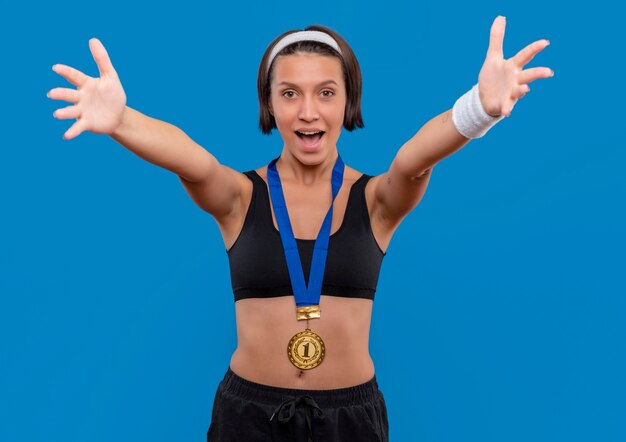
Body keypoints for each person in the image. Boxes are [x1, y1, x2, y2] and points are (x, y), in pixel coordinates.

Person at [48, 17, 553, 442]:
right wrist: (121, 121)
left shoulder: (376, 201)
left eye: (325, 93)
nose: (308, 111)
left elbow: (412, 160)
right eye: (289, 94)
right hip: (248, 416)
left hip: (349, 419)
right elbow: (193, 162)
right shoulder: (240, 198)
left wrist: (477, 111)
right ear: (269, 104)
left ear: (347, 101)